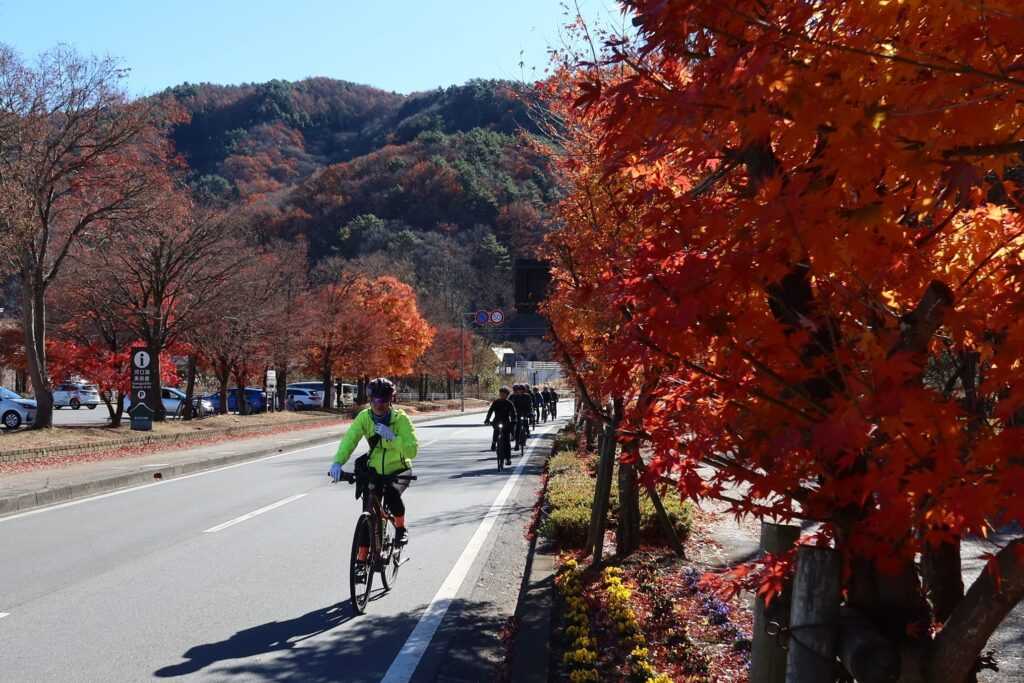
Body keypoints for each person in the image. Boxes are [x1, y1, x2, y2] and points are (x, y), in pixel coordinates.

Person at [330, 377, 418, 563]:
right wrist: (337, 462)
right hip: (375, 470)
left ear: (390, 401)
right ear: (370, 400)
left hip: (399, 469)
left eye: (384, 401)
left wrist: (393, 438)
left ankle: (401, 528)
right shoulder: (364, 418)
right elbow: (350, 440)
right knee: (367, 512)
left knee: (393, 493)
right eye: (375, 401)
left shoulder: (401, 419)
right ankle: (361, 559)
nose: (379, 405)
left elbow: (412, 450)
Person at [484, 385, 516, 464]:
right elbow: (490, 411)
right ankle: (494, 443)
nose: (502, 395)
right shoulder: (496, 402)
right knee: (496, 431)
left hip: (506, 422)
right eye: (501, 394)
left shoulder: (509, 403)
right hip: (497, 421)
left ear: (507, 395)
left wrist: (514, 420)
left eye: (504, 394)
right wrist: (487, 419)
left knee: (507, 442)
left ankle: (508, 459)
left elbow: (513, 413)